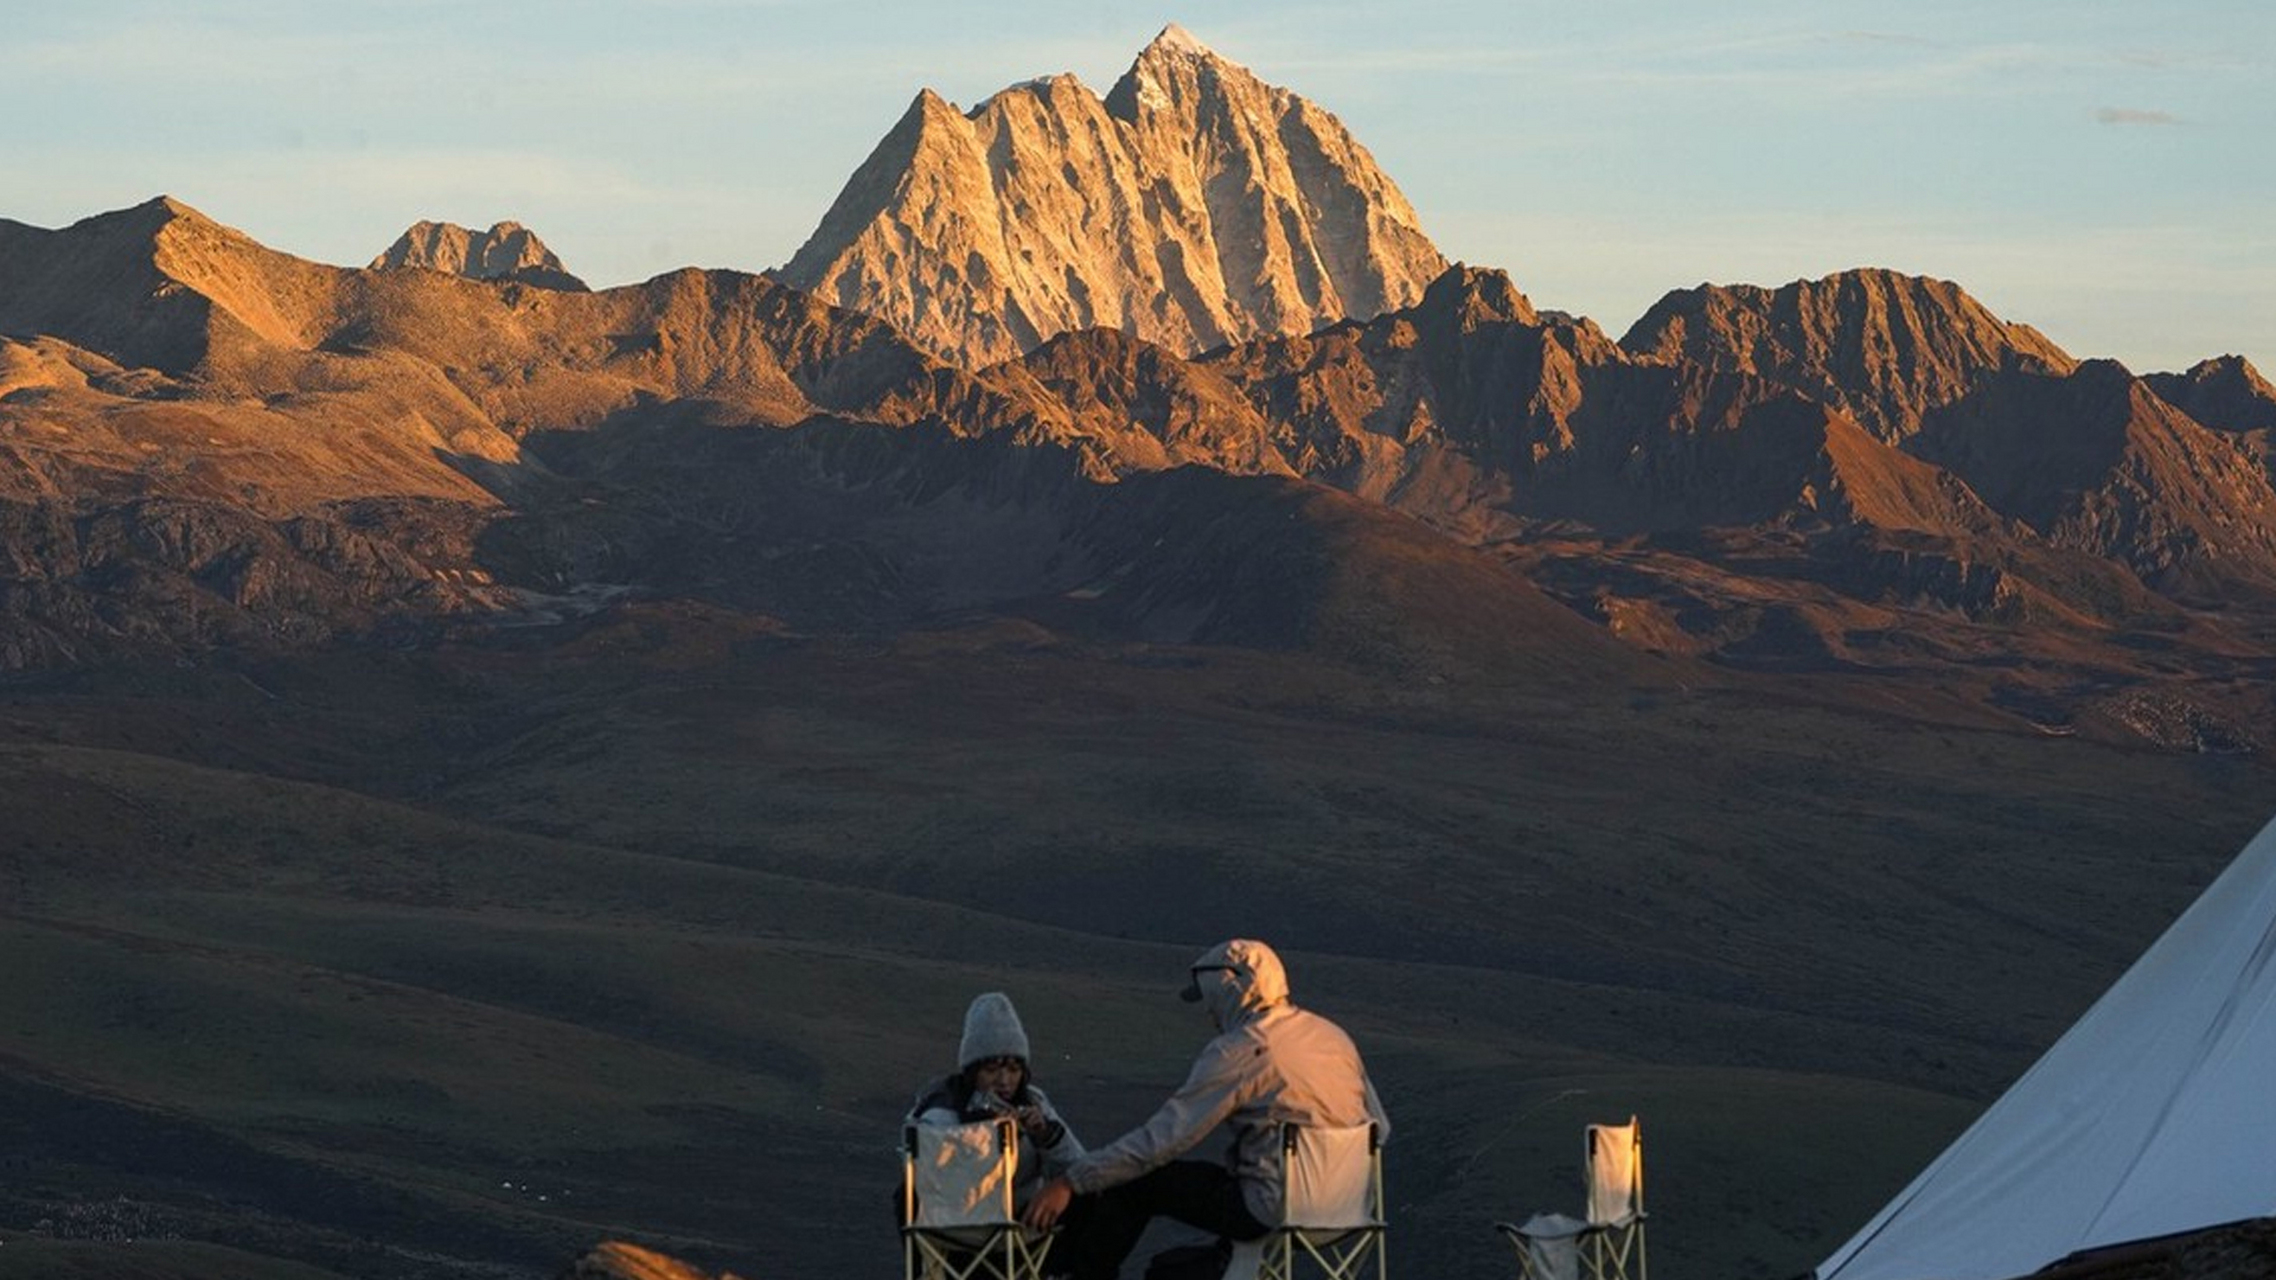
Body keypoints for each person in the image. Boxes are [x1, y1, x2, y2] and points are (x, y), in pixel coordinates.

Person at [1020, 939, 1389, 1280]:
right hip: (1348, 1209)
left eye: (1209, 999)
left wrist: (1072, 1181)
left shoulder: (1243, 1049)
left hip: (1268, 1208)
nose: (1210, 1014)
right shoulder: (1333, 1037)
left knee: (1136, 1182)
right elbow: (1380, 1129)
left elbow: (1162, 1142)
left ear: (1230, 986)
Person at [905, 991, 1085, 1216]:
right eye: (991, 1070)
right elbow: (932, 1177)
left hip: (1026, 1220)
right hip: (958, 1222)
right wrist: (987, 1134)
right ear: (973, 1072)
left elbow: (1080, 1169)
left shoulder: (1033, 1102)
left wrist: (1046, 1136)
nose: (1004, 1081)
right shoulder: (941, 1111)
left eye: (1014, 1069)